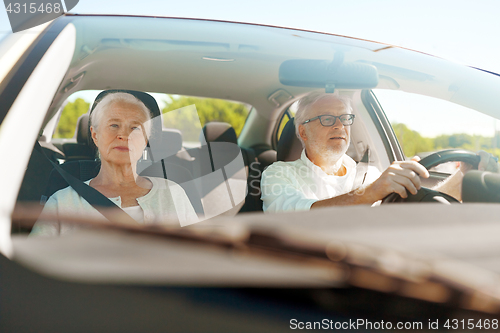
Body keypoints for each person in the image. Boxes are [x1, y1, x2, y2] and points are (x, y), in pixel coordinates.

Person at [261, 92, 499, 212]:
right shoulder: (278, 174)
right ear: (303, 133)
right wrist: (372, 192)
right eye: (327, 119)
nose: (339, 125)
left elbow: (414, 211)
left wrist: (461, 179)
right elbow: (297, 216)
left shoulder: (368, 174)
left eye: (345, 118)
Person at [32, 92, 198, 236]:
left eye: (135, 128)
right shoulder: (63, 202)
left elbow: (197, 257)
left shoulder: (173, 194)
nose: (124, 135)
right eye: (114, 125)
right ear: (95, 135)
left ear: (145, 139)